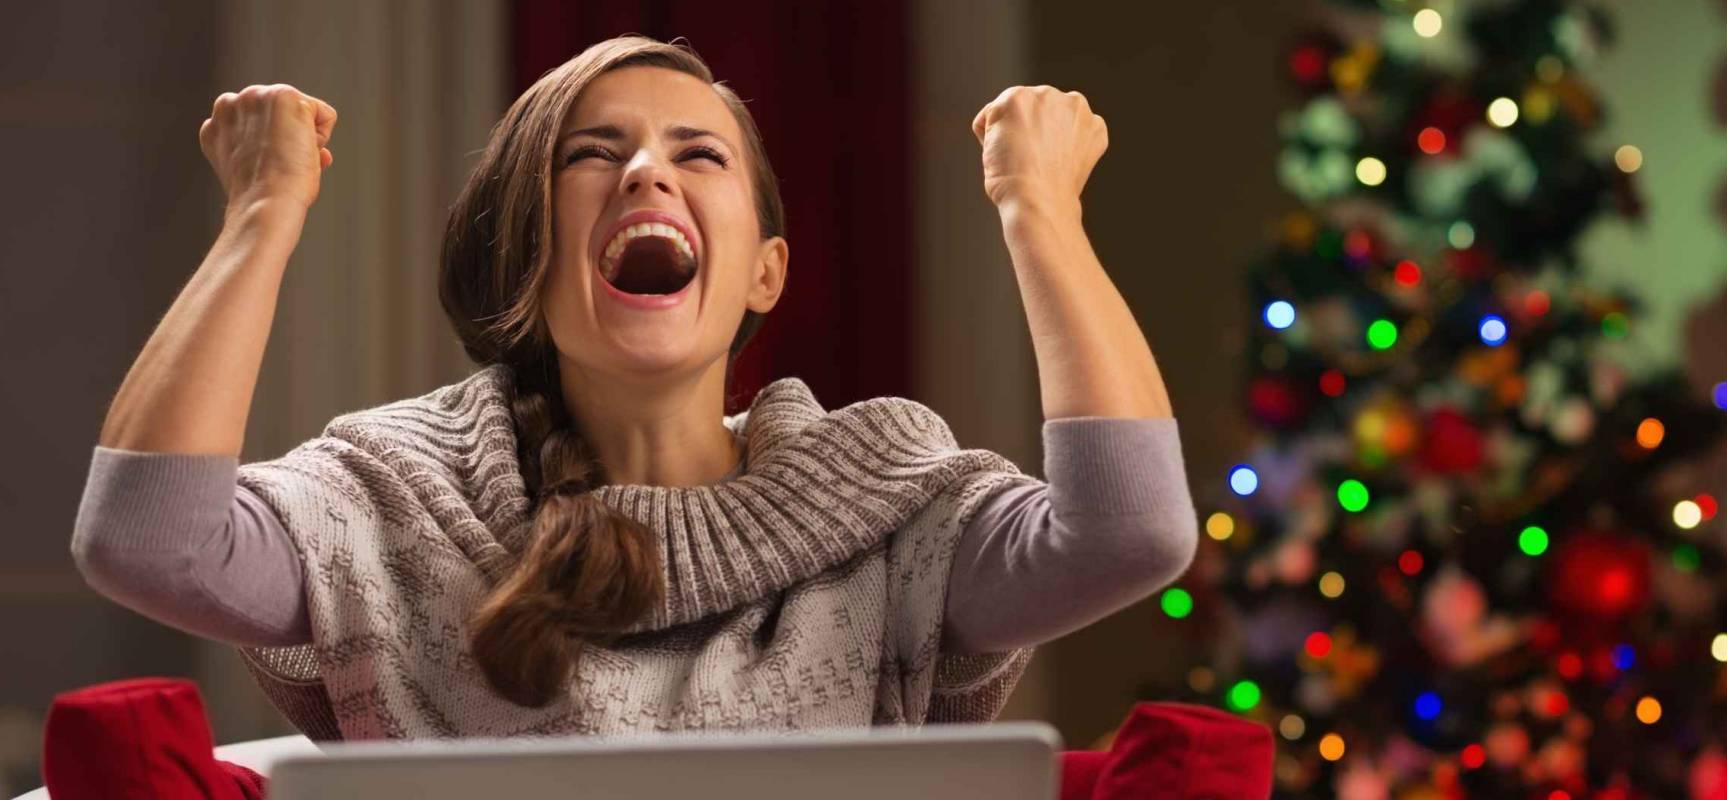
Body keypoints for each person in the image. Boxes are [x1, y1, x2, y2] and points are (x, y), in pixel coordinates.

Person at [71, 35, 1198, 740]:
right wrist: (262, 214)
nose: (647, 169)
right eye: (590, 153)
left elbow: (1131, 532)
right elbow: (144, 537)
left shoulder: (893, 502)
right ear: (528, 250)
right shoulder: (390, 498)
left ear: (767, 270)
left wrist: (1037, 210)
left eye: (698, 154)